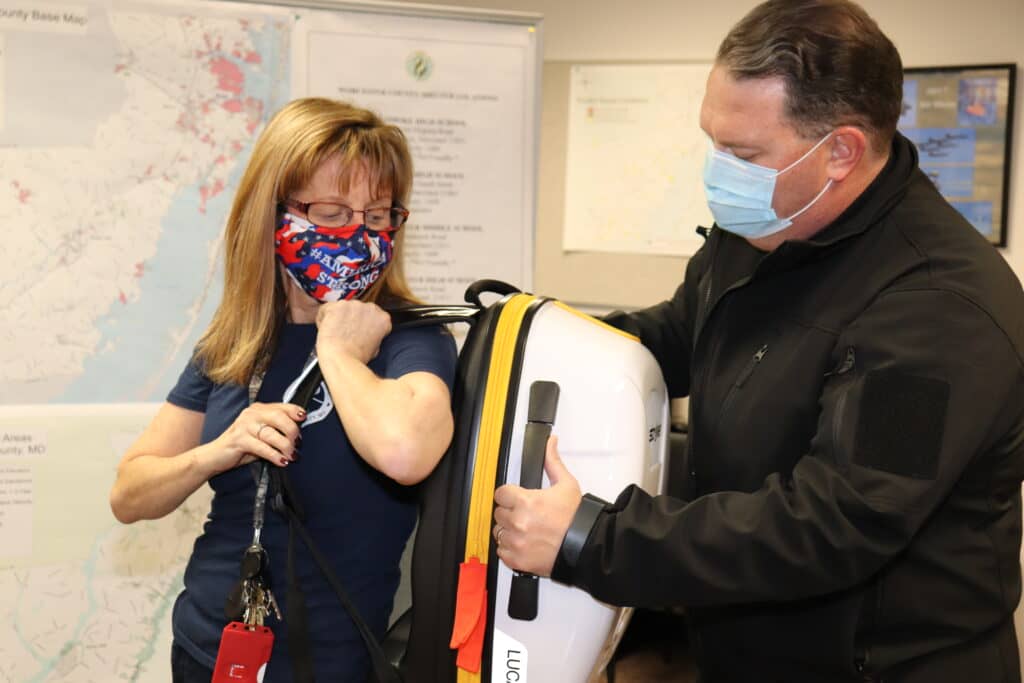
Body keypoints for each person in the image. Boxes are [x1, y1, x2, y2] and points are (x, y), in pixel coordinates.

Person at [492, 1, 1024, 681]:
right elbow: (678, 335)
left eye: (743, 154)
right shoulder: (765, 224)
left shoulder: (939, 307)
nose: (718, 171)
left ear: (841, 151)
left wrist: (591, 537)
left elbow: (833, 524)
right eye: (712, 141)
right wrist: (529, 341)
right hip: (744, 645)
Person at [108, 98, 457, 682]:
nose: (357, 236)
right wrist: (216, 453)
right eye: (331, 212)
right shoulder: (237, 341)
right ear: (272, 215)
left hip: (332, 667)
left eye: (376, 216)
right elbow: (128, 495)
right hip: (207, 650)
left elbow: (406, 452)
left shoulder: (411, 339)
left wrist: (338, 350)